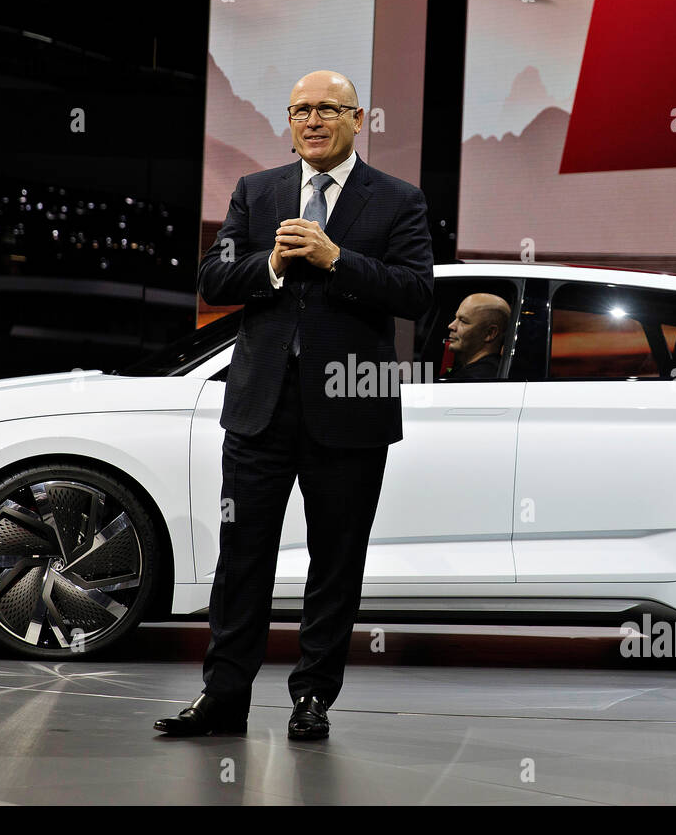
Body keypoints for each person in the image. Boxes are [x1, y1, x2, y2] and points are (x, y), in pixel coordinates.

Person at [155, 70, 435, 740]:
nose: (312, 120)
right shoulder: (257, 192)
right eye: (301, 110)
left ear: (358, 118)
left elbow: (416, 292)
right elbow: (215, 278)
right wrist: (272, 267)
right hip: (260, 410)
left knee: (336, 562)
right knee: (242, 556)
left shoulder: (398, 201)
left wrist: (337, 258)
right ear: (289, 121)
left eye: (327, 109)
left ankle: (312, 698)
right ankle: (224, 698)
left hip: (350, 410)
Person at [443, 293, 510, 380]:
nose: (451, 326)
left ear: (490, 333)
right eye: (455, 318)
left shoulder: (475, 379)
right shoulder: (466, 370)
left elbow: (425, 392)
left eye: (463, 321)